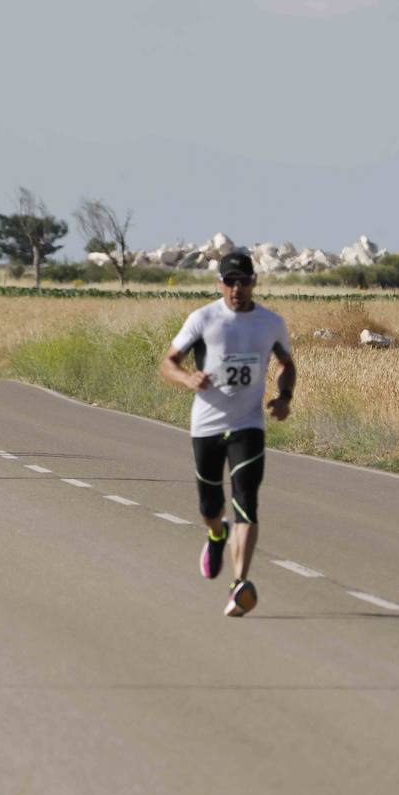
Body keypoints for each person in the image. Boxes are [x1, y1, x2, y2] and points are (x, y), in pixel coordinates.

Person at [159, 251, 296, 618]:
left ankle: (240, 583)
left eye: (244, 281)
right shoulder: (203, 319)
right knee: (209, 507)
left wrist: (284, 396)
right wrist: (188, 378)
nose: (237, 288)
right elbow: (167, 362)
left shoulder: (270, 323)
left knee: (246, 500)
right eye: (230, 281)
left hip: (248, 425)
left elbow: (286, 364)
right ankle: (216, 534)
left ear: (254, 283)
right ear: (219, 283)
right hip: (206, 425)